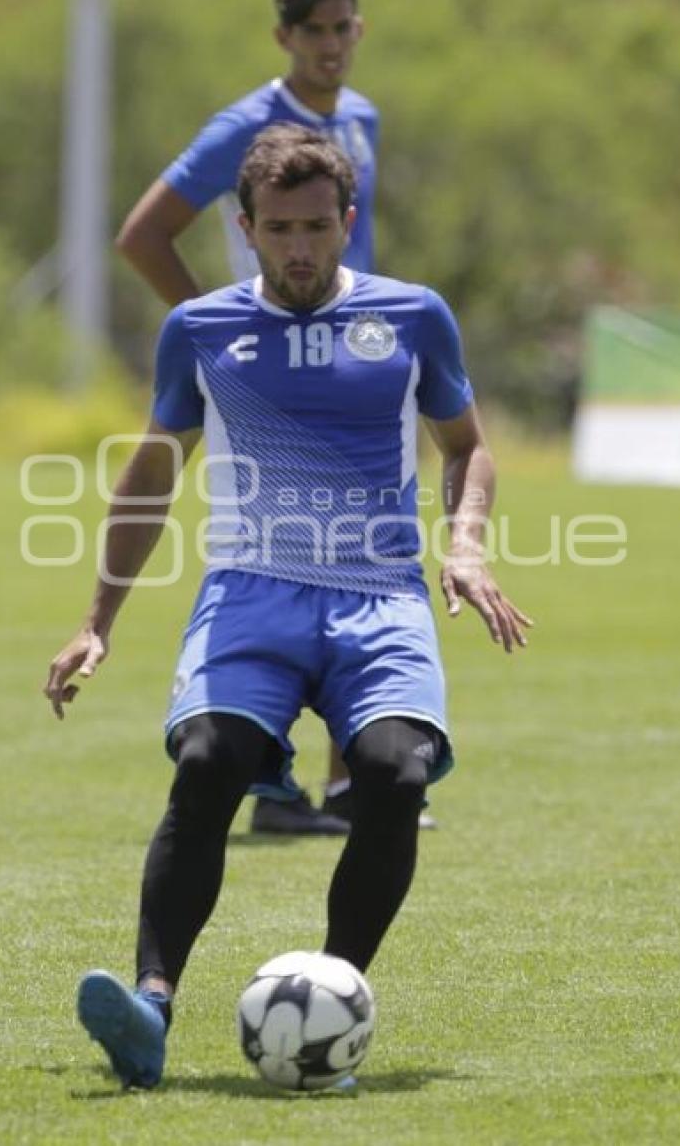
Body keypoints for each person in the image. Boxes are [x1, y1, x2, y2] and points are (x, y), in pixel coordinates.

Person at [44, 125, 532, 1090]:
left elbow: (466, 444)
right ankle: (149, 1006)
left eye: (318, 226)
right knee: (207, 761)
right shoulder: (201, 330)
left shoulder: (413, 316)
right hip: (250, 595)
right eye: (280, 229)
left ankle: (332, 993)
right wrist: (99, 617)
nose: (301, 248)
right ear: (246, 229)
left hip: (380, 595)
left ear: (349, 222)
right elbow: (152, 472)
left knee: (393, 776)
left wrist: (465, 544)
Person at [116, 0, 377, 836]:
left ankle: (351, 788)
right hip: (272, 375)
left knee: (366, 556)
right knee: (268, 557)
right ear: (284, 36)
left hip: (359, 369)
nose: (330, 45)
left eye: (343, 27)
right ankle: (265, 777)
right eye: (313, 30)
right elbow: (143, 235)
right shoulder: (248, 124)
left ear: (360, 29)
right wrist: (217, 333)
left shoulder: (361, 119)